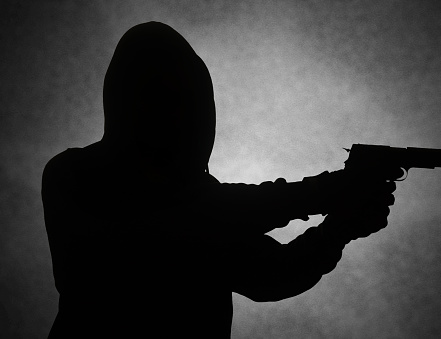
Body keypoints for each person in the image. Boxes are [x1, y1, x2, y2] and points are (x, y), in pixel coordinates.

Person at [42, 21, 397, 338]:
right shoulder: (75, 173)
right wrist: (329, 192)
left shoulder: (201, 201)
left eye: (188, 103)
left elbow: (273, 273)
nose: (180, 117)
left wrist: (340, 227)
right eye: (166, 99)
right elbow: (181, 228)